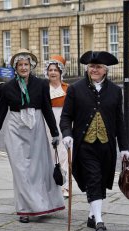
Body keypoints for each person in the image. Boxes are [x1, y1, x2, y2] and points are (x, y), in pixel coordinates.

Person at [0, 48, 65, 223]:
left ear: (31, 66)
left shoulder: (41, 84)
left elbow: (46, 109)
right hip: (15, 129)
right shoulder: (6, 88)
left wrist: (54, 132)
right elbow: (0, 112)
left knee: (37, 171)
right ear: (15, 68)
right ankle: (24, 209)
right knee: (21, 170)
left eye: (26, 64)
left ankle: (41, 205)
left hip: (36, 129)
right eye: (20, 65)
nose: (23, 67)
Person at [60, 51, 129, 231]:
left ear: (105, 70)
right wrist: (67, 134)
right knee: (93, 178)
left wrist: (124, 148)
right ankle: (99, 221)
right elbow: (66, 116)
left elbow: (119, 121)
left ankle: (91, 214)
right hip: (84, 145)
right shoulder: (75, 89)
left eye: (98, 67)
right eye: (91, 67)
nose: (94, 70)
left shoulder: (115, 91)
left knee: (100, 181)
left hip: (107, 146)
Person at [43, 55, 70, 198]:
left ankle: (65, 186)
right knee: (50, 155)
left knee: (65, 155)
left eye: (55, 70)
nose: (53, 72)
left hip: (63, 124)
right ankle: (52, 185)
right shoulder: (43, 88)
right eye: (50, 70)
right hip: (47, 124)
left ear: (61, 72)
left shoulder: (68, 89)